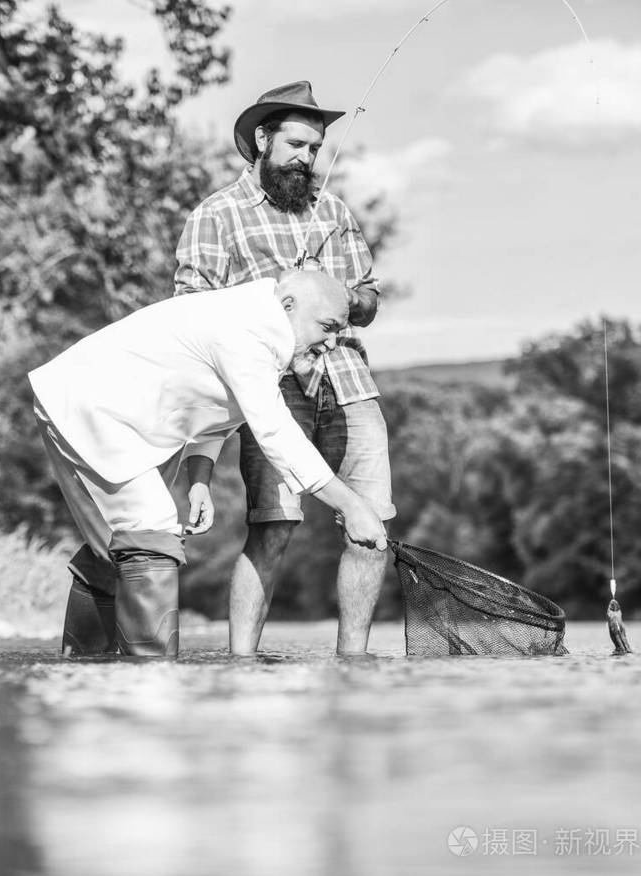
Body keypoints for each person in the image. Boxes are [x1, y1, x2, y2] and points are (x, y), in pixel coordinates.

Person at [29, 272, 387, 658]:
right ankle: (151, 679)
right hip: (90, 406)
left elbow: (213, 399)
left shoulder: (262, 324)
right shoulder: (249, 332)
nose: (333, 343)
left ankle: (84, 667)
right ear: (288, 306)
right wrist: (352, 506)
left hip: (129, 424)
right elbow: (276, 435)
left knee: (119, 545)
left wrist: (198, 479)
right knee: (151, 526)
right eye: (327, 327)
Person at [175, 80, 395, 657]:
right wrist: (280, 296)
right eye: (295, 144)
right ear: (263, 139)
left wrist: (341, 296)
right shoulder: (216, 215)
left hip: (349, 382)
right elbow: (191, 312)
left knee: (370, 527)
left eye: (315, 148)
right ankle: (241, 662)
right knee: (273, 526)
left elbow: (369, 300)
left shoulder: (335, 212)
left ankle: (355, 663)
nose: (306, 158)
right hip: (270, 388)